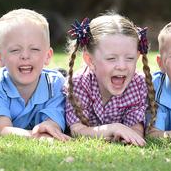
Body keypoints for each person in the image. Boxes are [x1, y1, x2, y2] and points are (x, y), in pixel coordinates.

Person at [0, 9, 69, 140]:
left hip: (52, 79)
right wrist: (37, 136)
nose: (25, 56)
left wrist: (49, 128)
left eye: (34, 49)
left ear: (48, 56)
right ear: (0, 58)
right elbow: (4, 129)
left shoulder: (56, 84)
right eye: (15, 50)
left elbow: (53, 123)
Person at [64, 14, 156, 147]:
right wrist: (113, 128)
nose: (122, 66)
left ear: (137, 56)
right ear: (90, 60)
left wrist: (131, 136)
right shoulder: (78, 84)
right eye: (111, 58)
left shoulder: (137, 84)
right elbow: (77, 130)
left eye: (129, 58)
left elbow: (136, 128)